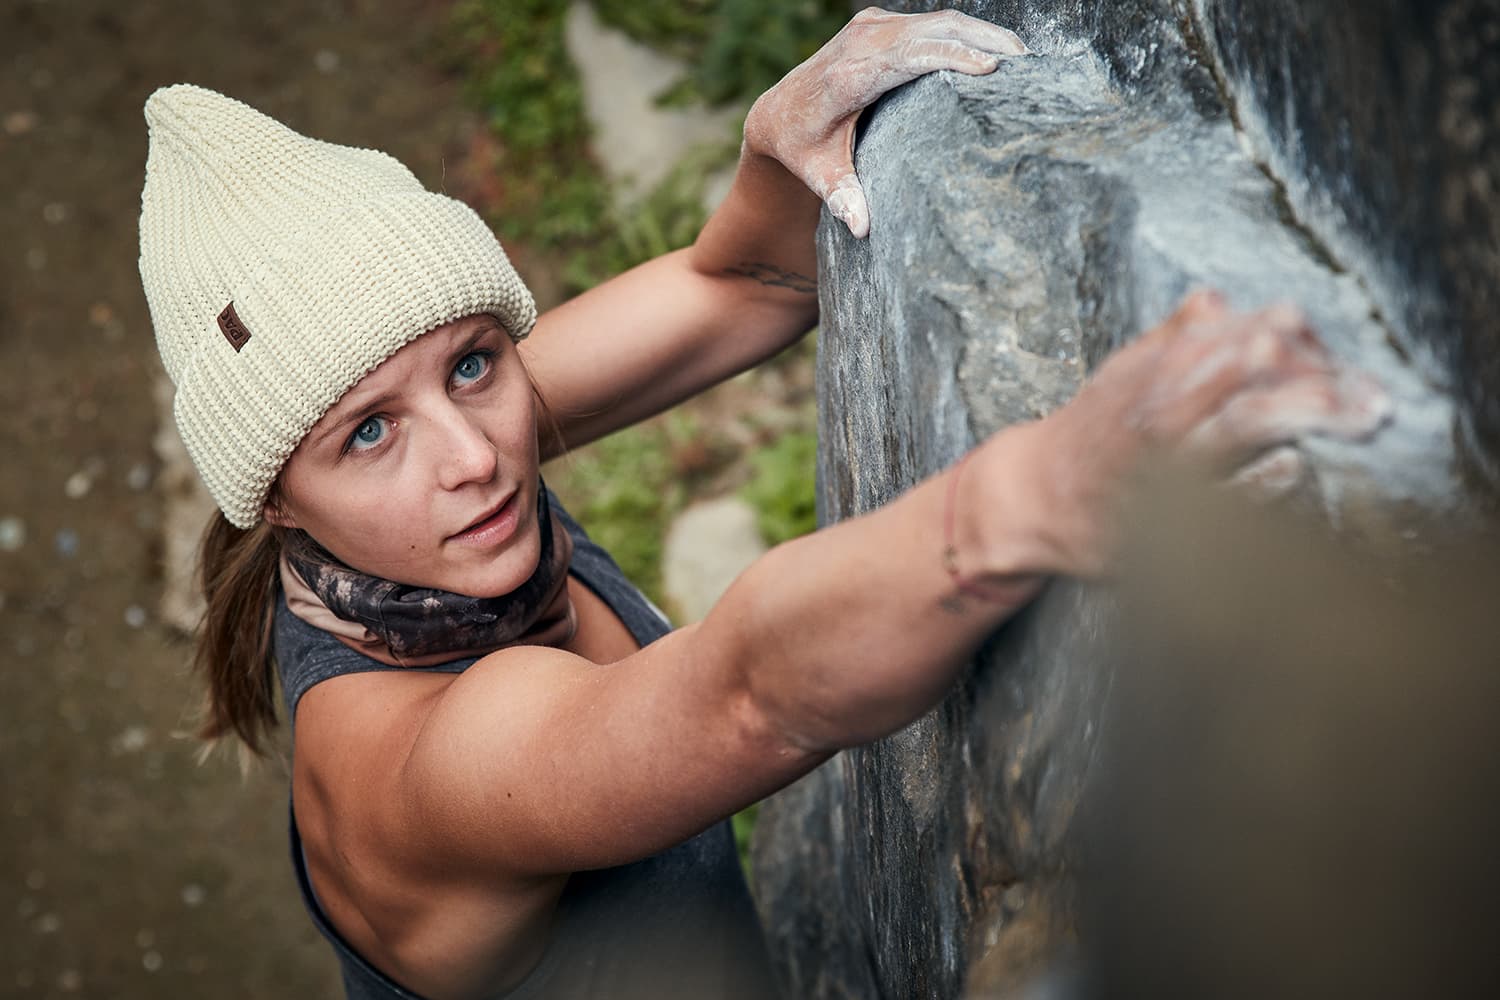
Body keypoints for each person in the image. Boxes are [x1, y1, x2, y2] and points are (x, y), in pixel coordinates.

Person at [138, 9, 1388, 1000]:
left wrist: (776, 133)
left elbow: (743, 281)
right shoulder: (425, 766)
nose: (476, 456)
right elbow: (749, 691)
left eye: (474, 360)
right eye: (369, 433)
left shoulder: (424, 473)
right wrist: (1028, 491)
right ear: (276, 505)